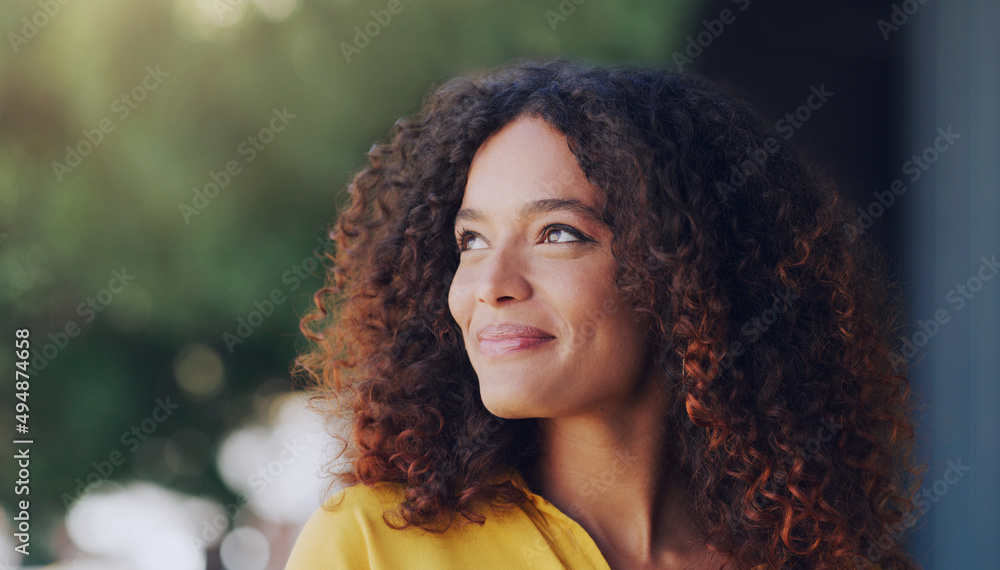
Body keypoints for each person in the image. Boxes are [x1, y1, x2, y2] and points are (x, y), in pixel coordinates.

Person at [284, 58, 922, 569]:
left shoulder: (826, 557)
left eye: (558, 233)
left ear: (682, 273)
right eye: (470, 241)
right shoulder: (372, 545)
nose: (491, 285)